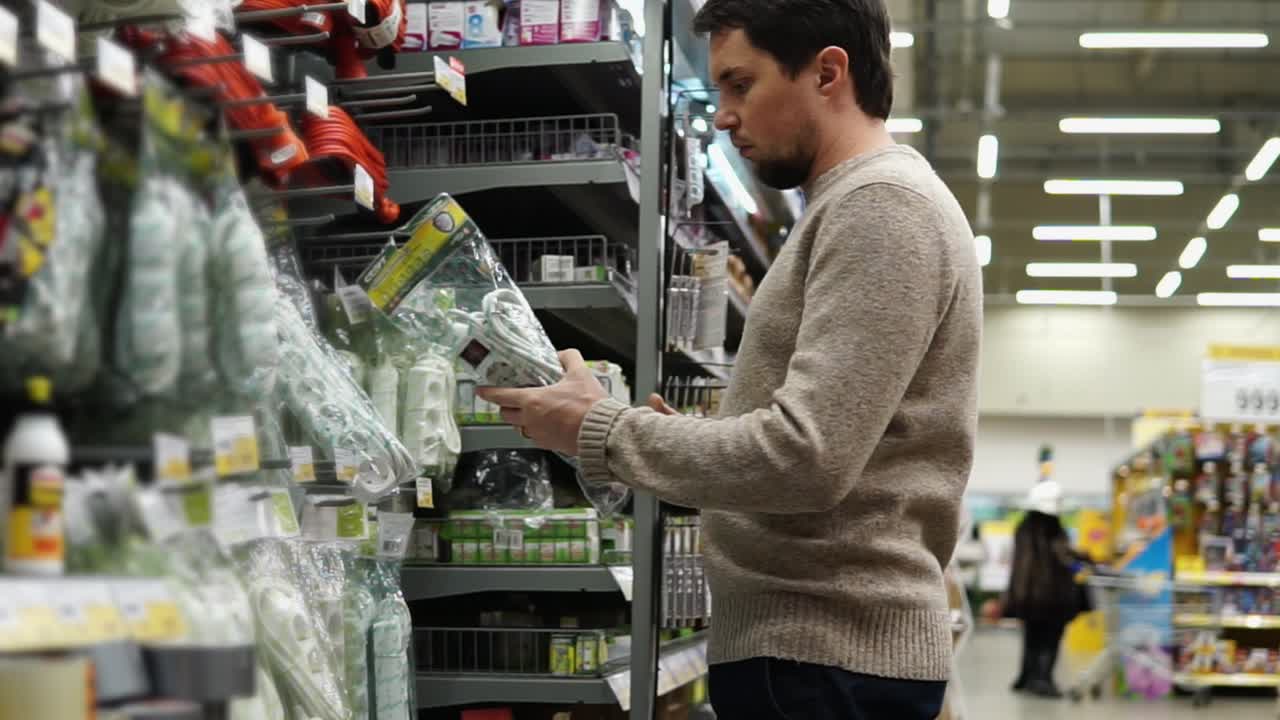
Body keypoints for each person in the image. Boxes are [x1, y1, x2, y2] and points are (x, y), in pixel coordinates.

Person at [477, 0, 983, 715]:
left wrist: (606, 429)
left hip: (824, 659)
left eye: (740, 83)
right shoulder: (853, 206)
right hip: (815, 657)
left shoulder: (882, 209)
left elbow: (807, 458)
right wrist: (674, 445)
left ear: (828, 72)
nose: (721, 115)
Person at [1004, 481, 1093, 699]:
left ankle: (1026, 677)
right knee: (1051, 637)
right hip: (1053, 594)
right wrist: (1087, 557)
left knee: (1032, 636)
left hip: (1026, 594)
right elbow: (1063, 556)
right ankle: (1043, 680)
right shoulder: (1053, 529)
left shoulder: (1023, 527)